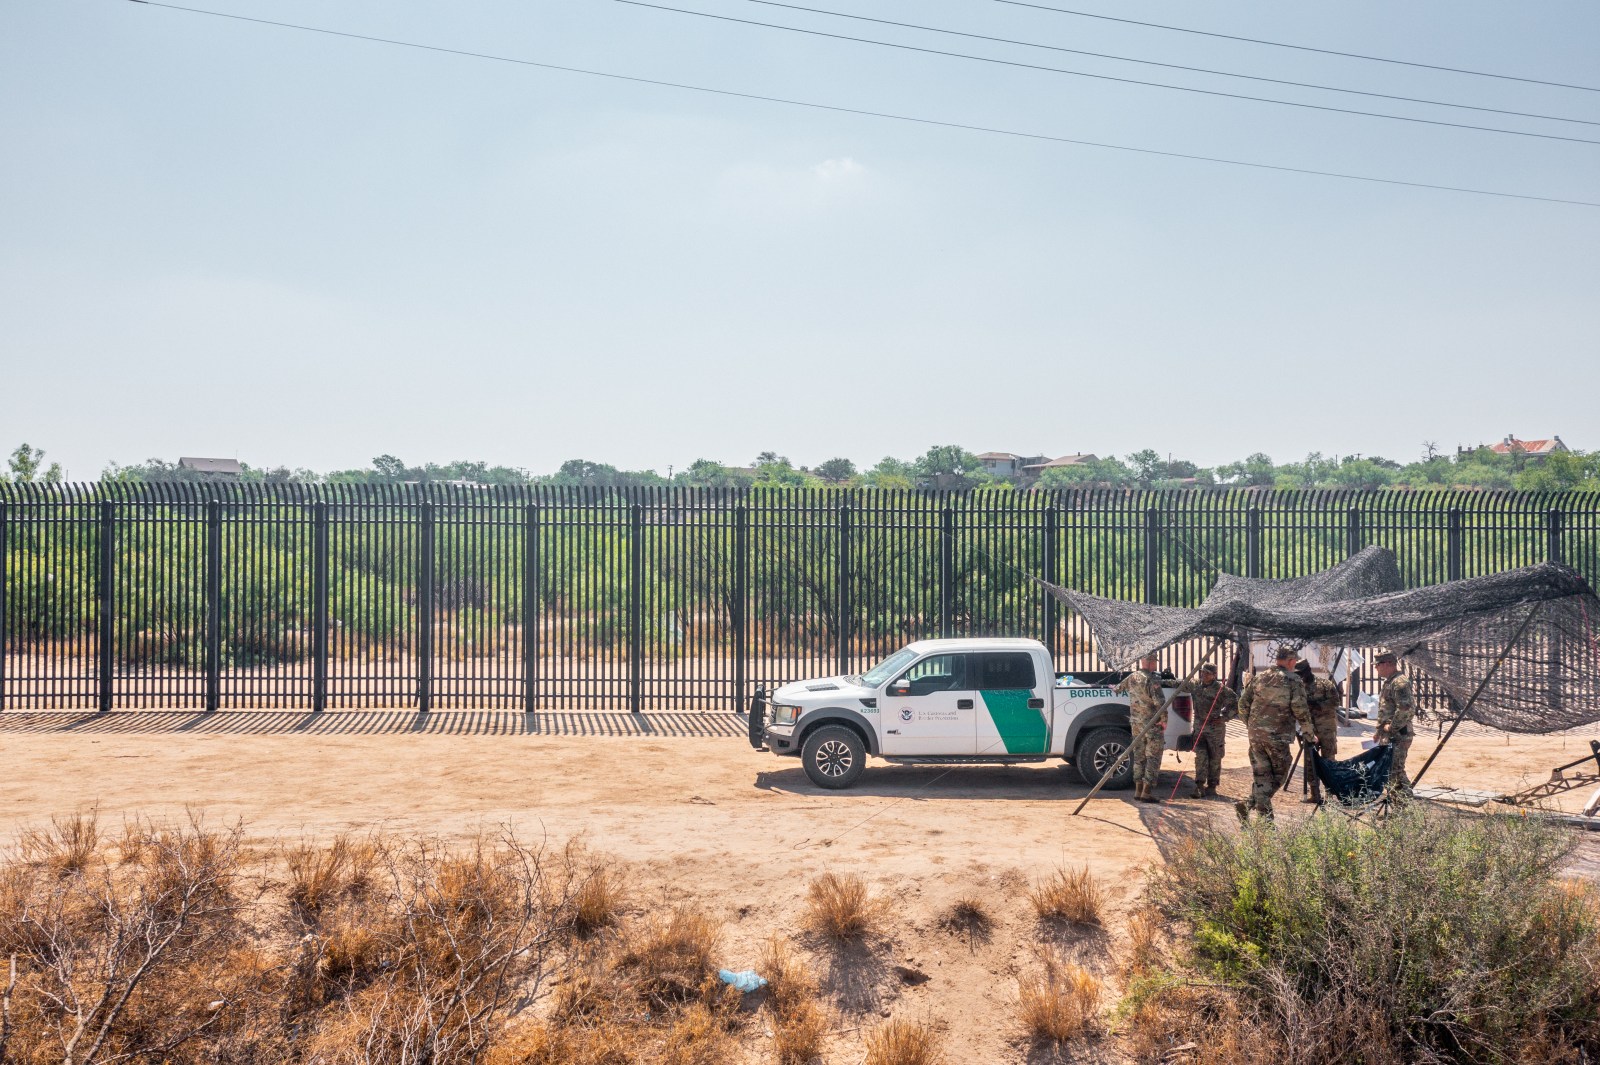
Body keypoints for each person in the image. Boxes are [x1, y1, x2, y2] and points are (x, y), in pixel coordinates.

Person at [1234, 644, 1315, 823]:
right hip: (1277, 737)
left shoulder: (1260, 678)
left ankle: (1248, 806)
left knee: (1262, 777)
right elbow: (1301, 710)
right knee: (1279, 775)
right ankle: (1265, 824)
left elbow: (1242, 703)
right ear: (1291, 661)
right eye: (1294, 661)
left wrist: (1252, 725)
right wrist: (1309, 734)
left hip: (1256, 736)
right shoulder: (1293, 680)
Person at [1115, 651, 1168, 803]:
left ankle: (1138, 791)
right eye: (1155, 661)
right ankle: (1147, 792)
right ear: (1151, 662)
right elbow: (1160, 704)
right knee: (1153, 757)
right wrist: (1164, 721)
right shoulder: (1152, 680)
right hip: (1152, 725)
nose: (1156, 664)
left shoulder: (1133, 677)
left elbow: (1118, 688)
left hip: (1136, 724)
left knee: (1139, 757)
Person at [1178, 662, 1237, 799]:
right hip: (1199, 728)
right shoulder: (1196, 685)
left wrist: (1224, 717)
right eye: (1202, 672)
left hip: (1215, 730)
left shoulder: (1221, 690)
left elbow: (1236, 704)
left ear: (1214, 675)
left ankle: (1212, 786)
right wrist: (1159, 681)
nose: (1203, 675)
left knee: (1215, 757)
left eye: (1207, 673)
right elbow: (1179, 684)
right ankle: (1199, 785)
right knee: (1201, 756)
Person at [1295, 659, 1341, 804]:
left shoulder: (1325, 684)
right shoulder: (1297, 687)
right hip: (1309, 730)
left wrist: (1316, 705)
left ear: (1308, 670)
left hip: (1326, 729)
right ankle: (1315, 794)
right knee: (1309, 762)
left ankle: (1330, 795)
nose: (1301, 676)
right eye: (1298, 674)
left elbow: (1335, 702)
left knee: (1328, 762)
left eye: (1302, 673)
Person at [1373, 651, 1416, 798]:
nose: (1375, 668)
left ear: (1388, 664)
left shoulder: (1399, 682)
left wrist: (1391, 727)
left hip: (1398, 734)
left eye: (1377, 665)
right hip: (1391, 735)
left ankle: (1404, 810)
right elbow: (1385, 710)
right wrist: (1379, 731)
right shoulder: (1390, 681)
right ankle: (1398, 808)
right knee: (1391, 771)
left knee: (1395, 771)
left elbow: (1405, 709)